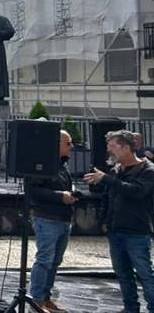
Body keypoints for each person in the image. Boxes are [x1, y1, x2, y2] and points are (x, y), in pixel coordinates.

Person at [84, 129, 154, 313]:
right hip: (115, 231)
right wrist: (104, 220)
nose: (109, 150)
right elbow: (107, 197)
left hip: (137, 231)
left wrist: (106, 179)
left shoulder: (148, 170)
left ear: (126, 148)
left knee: (145, 274)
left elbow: (136, 191)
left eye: (112, 146)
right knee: (123, 274)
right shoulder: (116, 170)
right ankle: (130, 309)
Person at [26, 130, 76, 313]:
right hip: (47, 218)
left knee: (55, 261)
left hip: (62, 218)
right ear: (57, 144)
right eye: (68, 143)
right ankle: (37, 300)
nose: (71, 146)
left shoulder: (62, 165)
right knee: (45, 260)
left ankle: (45, 298)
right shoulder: (43, 164)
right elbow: (33, 190)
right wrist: (60, 196)